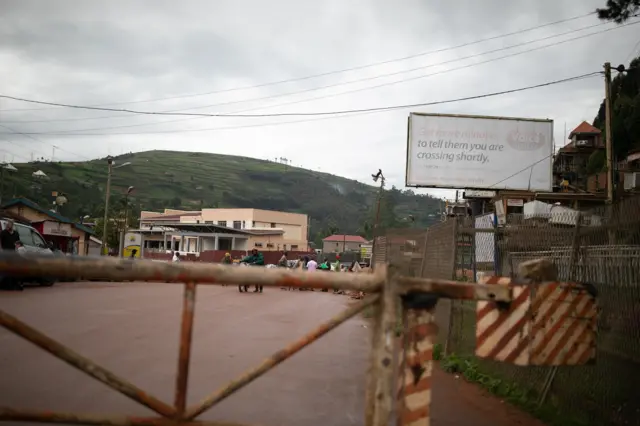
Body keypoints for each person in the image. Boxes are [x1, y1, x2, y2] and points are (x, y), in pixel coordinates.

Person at [1, 220, 23, 291]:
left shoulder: (16, 234)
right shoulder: (3, 233)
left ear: (12, 226)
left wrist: (18, 248)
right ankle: (7, 286)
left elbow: (18, 243)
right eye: (7, 225)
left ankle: (15, 285)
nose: (7, 226)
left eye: (8, 225)